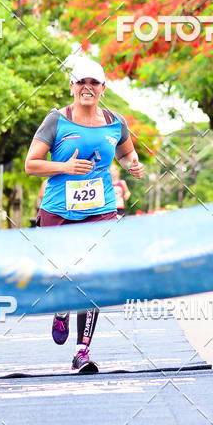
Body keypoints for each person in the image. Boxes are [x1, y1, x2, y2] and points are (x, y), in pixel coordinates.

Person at [25, 56, 145, 373]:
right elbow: (31, 164)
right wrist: (64, 167)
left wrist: (133, 165)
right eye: (82, 82)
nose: (87, 88)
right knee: (64, 275)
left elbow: (126, 152)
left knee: (91, 277)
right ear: (72, 87)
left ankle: (82, 352)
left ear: (103, 88)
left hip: (100, 210)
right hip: (57, 211)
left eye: (94, 83)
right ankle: (61, 309)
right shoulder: (56, 120)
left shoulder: (115, 122)